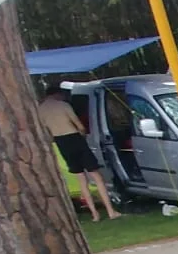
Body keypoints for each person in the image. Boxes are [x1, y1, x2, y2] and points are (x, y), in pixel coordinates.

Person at [38, 86, 119, 221]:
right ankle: (111, 211)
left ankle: (94, 214)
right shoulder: (63, 106)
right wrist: (83, 135)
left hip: (61, 142)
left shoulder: (40, 110)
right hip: (74, 137)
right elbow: (79, 125)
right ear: (57, 94)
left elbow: (45, 131)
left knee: (81, 179)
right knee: (96, 175)